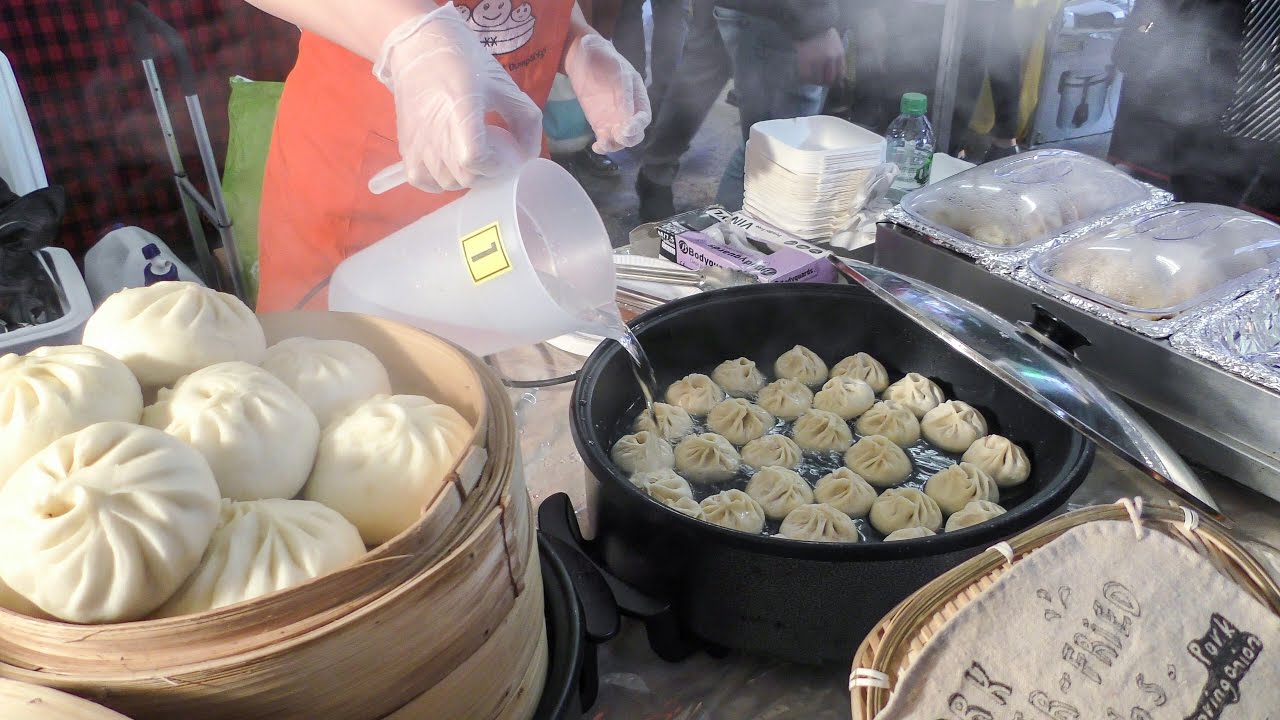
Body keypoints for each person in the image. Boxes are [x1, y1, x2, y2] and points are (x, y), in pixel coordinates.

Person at [246, 0, 651, 311]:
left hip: (508, 170)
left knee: (503, 351)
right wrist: (411, 39)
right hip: (359, 185)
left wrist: (576, 41)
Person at [634, 0, 845, 220]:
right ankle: (731, 236)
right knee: (769, 153)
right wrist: (814, 22)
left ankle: (654, 176)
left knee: (700, 69)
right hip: (784, 13)